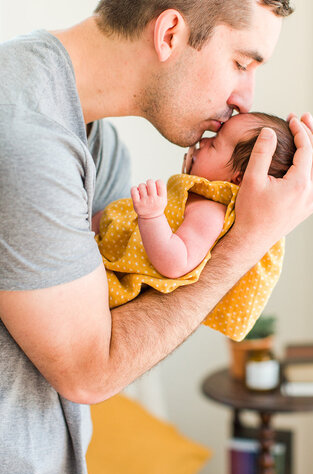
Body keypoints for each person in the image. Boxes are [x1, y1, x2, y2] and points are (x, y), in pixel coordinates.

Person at [0, 0, 313, 474]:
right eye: (241, 63)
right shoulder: (16, 134)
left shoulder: (97, 141)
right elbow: (91, 369)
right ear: (170, 34)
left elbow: (127, 312)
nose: (244, 100)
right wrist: (249, 240)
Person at [96, 112, 295, 341]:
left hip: (111, 283)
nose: (204, 141)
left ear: (238, 180)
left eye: (215, 144)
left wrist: (151, 216)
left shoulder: (211, 212)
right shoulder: (199, 195)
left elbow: (175, 262)